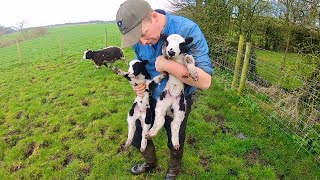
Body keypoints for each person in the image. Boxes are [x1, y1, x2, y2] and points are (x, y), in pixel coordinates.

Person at [116, 0, 213, 179]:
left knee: (174, 134)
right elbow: (142, 67)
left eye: (143, 34)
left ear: (153, 16)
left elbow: (205, 81)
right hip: (151, 95)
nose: (142, 42)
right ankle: (150, 162)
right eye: (137, 39)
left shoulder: (188, 30)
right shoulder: (140, 41)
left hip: (179, 97)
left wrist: (167, 65)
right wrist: (139, 85)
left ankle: (174, 167)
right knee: (138, 133)